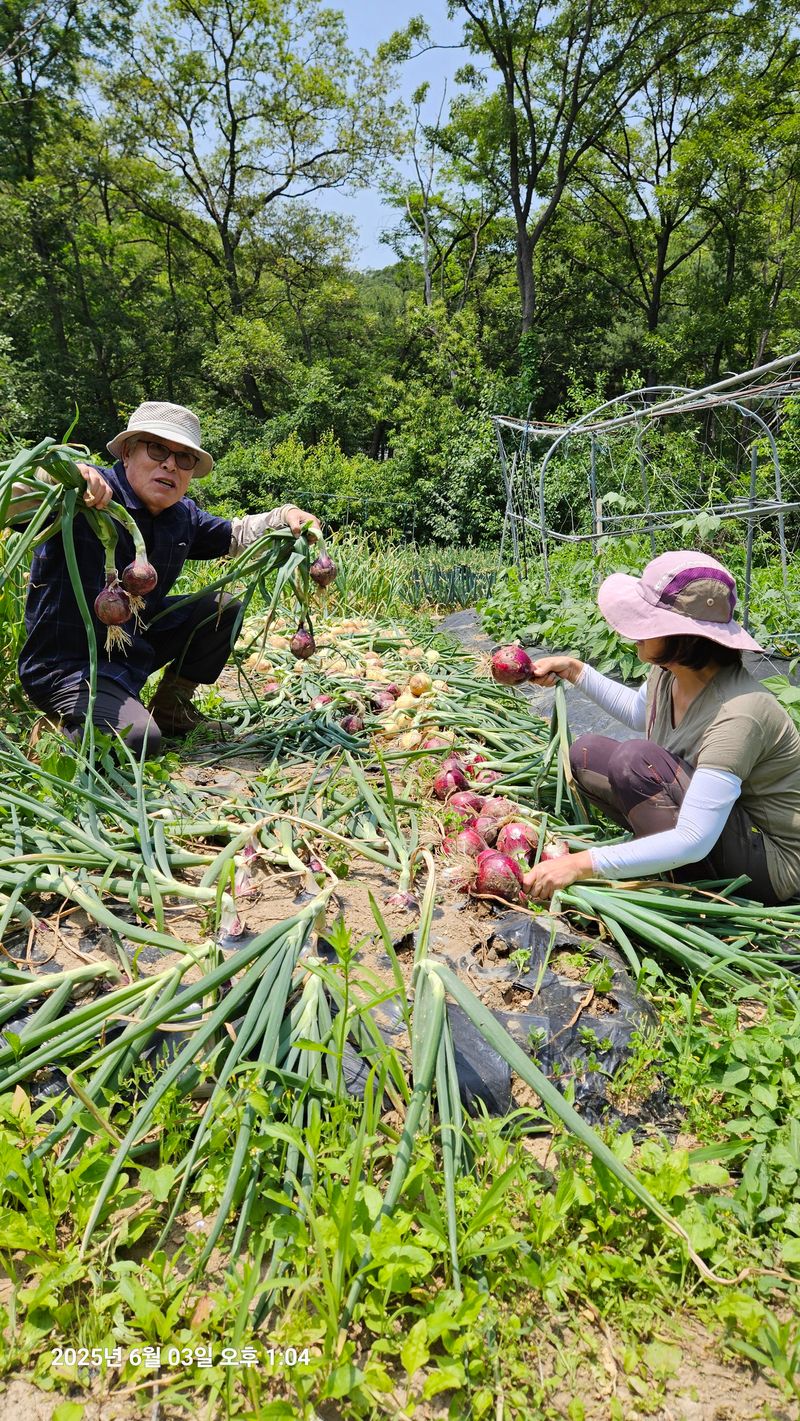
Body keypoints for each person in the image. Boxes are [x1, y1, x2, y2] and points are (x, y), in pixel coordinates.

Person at [7, 401, 321, 756]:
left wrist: (287, 515)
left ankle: (172, 708)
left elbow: (236, 535)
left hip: (130, 646)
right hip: (68, 666)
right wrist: (57, 476)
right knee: (139, 740)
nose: (170, 464)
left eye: (184, 458)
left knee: (222, 608)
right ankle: (55, 732)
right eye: (157, 449)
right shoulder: (83, 493)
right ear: (127, 452)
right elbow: (14, 499)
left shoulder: (182, 516)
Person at [522, 550, 800, 907]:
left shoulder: (740, 712)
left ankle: (682, 880)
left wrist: (581, 864)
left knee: (636, 761)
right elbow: (639, 712)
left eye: (648, 621)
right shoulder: (670, 672)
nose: (633, 630)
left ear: (685, 636)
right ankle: (658, 857)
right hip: (717, 829)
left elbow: (694, 838)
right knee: (586, 755)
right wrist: (575, 670)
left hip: (771, 864)